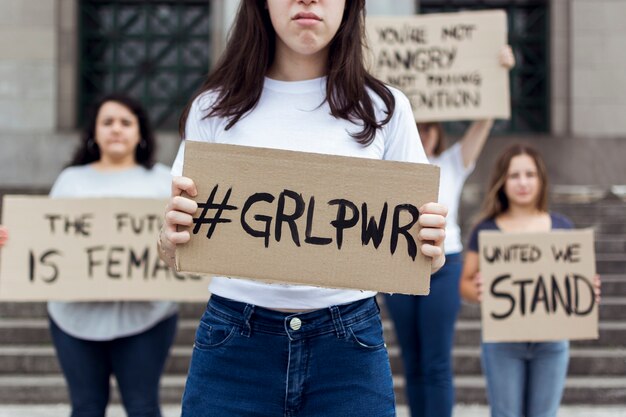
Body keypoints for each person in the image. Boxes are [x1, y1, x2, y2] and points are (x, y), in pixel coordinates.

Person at [158, 1, 447, 416]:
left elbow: (421, 260)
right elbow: (171, 249)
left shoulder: (385, 109)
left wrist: (430, 249)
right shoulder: (213, 108)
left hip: (348, 345)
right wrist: (170, 237)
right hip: (234, 343)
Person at [383, 45, 515, 417]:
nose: (422, 135)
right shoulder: (389, 166)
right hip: (399, 266)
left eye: (428, 129)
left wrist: (498, 72)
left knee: (437, 360)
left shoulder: (452, 163)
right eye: (417, 127)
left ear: (438, 133)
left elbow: (484, 122)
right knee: (411, 359)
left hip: (446, 266)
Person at [48, 94, 178, 417]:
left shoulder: (163, 181)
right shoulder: (70, 181)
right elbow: (44, 235)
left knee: (143, 406)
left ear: (140, 132)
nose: (116, 130)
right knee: (86, 408)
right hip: (74, 319)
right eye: (107, 123)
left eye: (125, 122)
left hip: (148, 316)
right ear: (93, 131)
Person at [459, 144, 601, 417]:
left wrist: (585, 290)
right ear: (502, 181)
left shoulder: (562, 226)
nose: (522, 182)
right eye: (514, 175)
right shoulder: (485, 229)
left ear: (541, 179)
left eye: (530, 174)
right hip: (503, 342)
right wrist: (479, 291)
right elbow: (464, 284)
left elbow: (572, 281)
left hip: (552, 341)